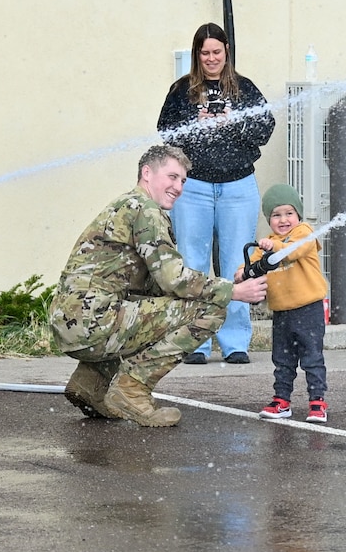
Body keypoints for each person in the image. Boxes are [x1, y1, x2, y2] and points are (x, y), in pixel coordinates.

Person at [51, 144, 271, 427]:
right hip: (95, 322)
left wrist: (228, 281)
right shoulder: (146, 211)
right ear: (146, 173)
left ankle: (90, 383)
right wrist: (232, 293)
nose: (178, 187)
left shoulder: (126, 204)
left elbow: (160, 285)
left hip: (72, 324)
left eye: (182, 180)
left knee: (155, 308)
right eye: (172, 176)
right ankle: (132, 391)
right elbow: (173, 278)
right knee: (210, 311)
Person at [157, 22, 276, 365]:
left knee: (236, 264)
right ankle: (194, 341)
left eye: (217, 52)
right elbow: (166, 131)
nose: (211, 59)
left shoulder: (243, 89)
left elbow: (264, 129)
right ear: (197, 55)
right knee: (192, 261)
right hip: (192, 187)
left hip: (238, 185)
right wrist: (197, 123)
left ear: (227, 52)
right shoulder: (182, 90)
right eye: (205, 53)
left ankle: (235, 341)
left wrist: (233, 121)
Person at [249, 183, 331, 424]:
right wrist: (242, 273)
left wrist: (273, 246)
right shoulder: (268, 243)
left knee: (312, 357)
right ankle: (281, 400)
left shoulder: (304, 232)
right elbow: (252, 264)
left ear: (298, 215)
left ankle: (317, 401)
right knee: (282, 359)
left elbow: (291, 251)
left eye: (289, 213)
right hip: (282, 312)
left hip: (309, 309)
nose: (283, 219)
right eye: (276, 215)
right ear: (268, 219)